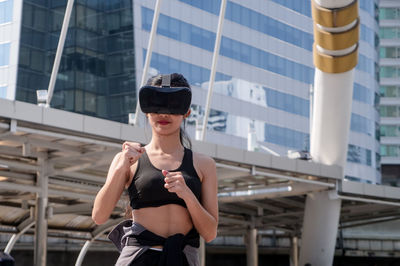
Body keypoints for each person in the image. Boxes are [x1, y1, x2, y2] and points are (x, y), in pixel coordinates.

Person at [92, 73, 218, 266]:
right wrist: (121, 167)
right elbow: (99, 215)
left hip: (182, 258)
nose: (164, 114)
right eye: (157, 104)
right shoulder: (128, 158)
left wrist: (188, 195)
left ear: (186, 112)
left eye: (173, 105)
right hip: (137, 257)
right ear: (146, 110)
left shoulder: (204, 164)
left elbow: (209, 233)